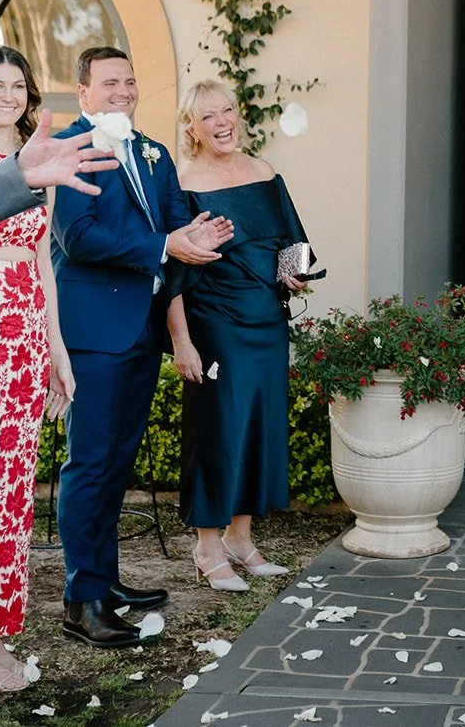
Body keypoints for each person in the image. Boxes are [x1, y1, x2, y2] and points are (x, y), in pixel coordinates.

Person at [52, 47, 232, 647]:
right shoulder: (69, 150)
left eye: (130, 81)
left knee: (117, 464)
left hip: (140, 330)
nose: (123, 91)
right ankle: (84, 601)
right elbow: (78, 237)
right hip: (94, 332)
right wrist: (165, 245)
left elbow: (177, 219)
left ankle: (106, 578)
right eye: (110, 83)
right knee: (91, 464)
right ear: (83, 94)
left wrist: (200, 236)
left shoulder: (152, 153)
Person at [166, 80, 310, 592]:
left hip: (266, 321)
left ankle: (241, 539)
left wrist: (294, 273)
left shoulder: (265, 173)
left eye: (227, 110)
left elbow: (293, 242)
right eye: (208, 116)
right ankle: (207, 547)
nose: (222, 122)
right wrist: (183, 342)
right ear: (192, 128)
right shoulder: (183, 183)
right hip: (215, 324)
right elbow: (173, 275)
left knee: (260, 428)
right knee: (218, 431)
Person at [0, 47, 75, 690]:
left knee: (12, 493)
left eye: (17, 85)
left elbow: (44, 263)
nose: (7, 96)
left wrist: (57, 354)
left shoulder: (41, 166)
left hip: (23, 346)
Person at [0, 108, 118, 224]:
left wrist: (22, 174)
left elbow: (43, 246)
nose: (8, 97)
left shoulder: (38, 164)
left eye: (18, 86)